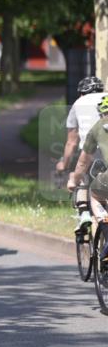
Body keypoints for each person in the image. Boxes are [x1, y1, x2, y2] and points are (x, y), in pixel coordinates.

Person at [57, 76, 105, 237]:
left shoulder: (77, 104)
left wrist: (64, 164)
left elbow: (71, 142)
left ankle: (84, 213)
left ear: (81, 93)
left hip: (90, 153)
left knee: (80, 177)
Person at [69, 94, 108, 256]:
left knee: (95, 195)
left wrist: (73, 180)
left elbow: (83, 163)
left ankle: (104, 226)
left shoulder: (99, 126)